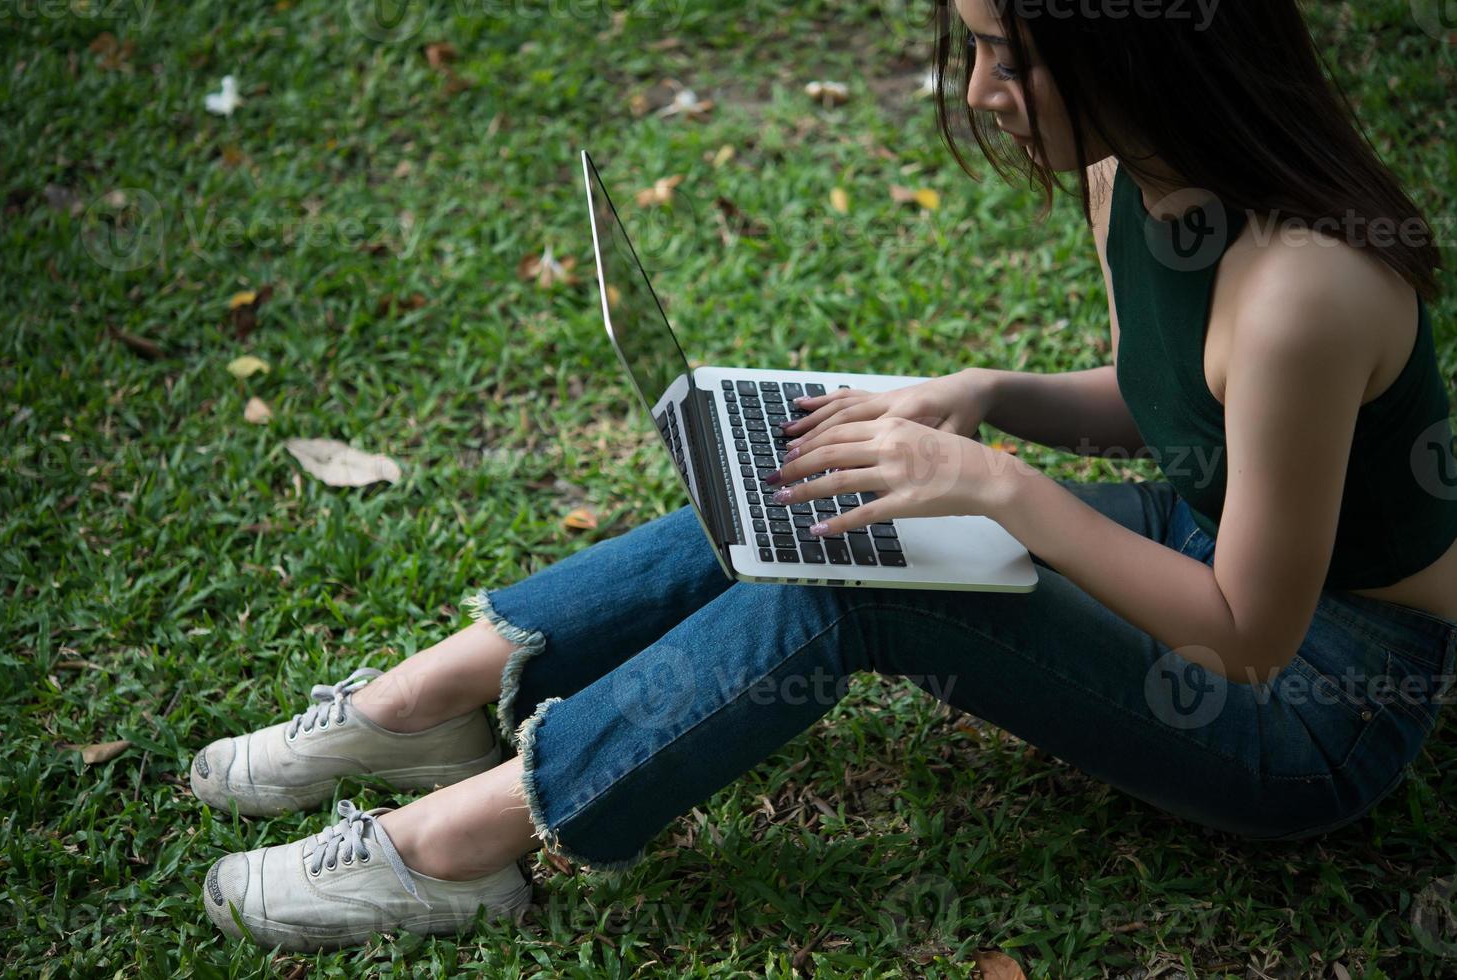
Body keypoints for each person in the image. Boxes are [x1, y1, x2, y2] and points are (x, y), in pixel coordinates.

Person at [193, 0, 1457, 952]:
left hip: (1313, 700)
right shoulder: (1132, 177)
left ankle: (463, 842)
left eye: (1008, 56)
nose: (984, 90)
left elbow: (1245, 637)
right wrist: (985, 397)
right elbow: (1166, 404)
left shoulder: (1304, 289)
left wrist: (1003, 488)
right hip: (1196, 537)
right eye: (970, 47)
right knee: (818, 473)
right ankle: (432, 703)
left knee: (871, 585)